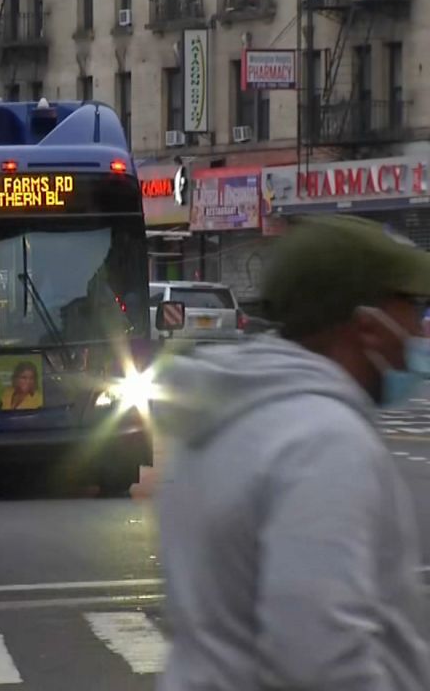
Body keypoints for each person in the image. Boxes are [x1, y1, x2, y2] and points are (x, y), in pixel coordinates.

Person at [152, 215, 430, 690]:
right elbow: (320, 656)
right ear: (365, 325)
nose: (418, 331)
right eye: (410, 306)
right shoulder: (324, 441)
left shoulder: (229, 413)